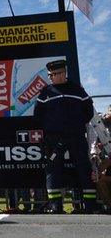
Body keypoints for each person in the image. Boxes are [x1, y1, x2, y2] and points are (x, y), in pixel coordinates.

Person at [34, 59, 97, 214]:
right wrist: (51, 128)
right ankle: (55, 206)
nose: (51, 77)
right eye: (50, 75)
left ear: (63, 73)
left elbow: (88, 111)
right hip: (55, 139)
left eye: (54, 74)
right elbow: (38, 115)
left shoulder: (78, 90)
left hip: (76, 136)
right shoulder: (45, 92)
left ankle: (90, 205)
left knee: (83, 168)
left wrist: (76, 124)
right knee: (53, 170)